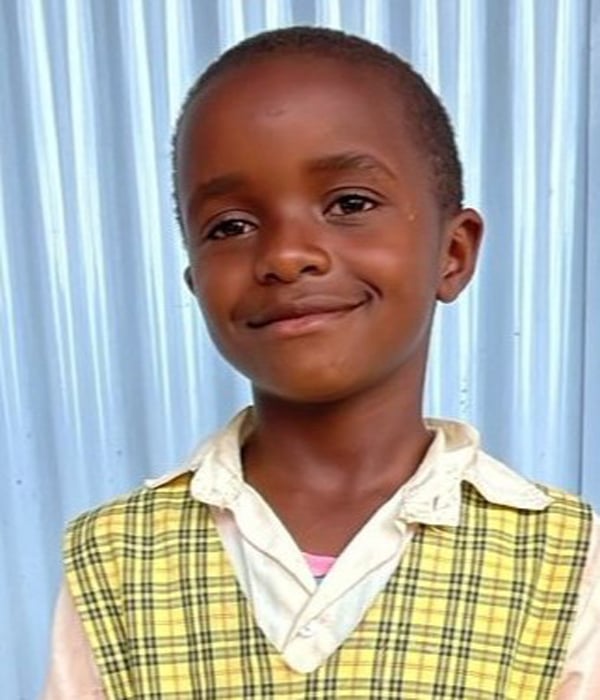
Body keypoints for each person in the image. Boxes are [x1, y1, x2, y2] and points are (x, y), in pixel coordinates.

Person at [43, 26, 600, 699]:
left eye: (349, 204)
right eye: (230, 226)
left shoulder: (563, 558)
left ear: (452, 254)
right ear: (196, 283)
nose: (286, 255)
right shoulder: (114, 557)